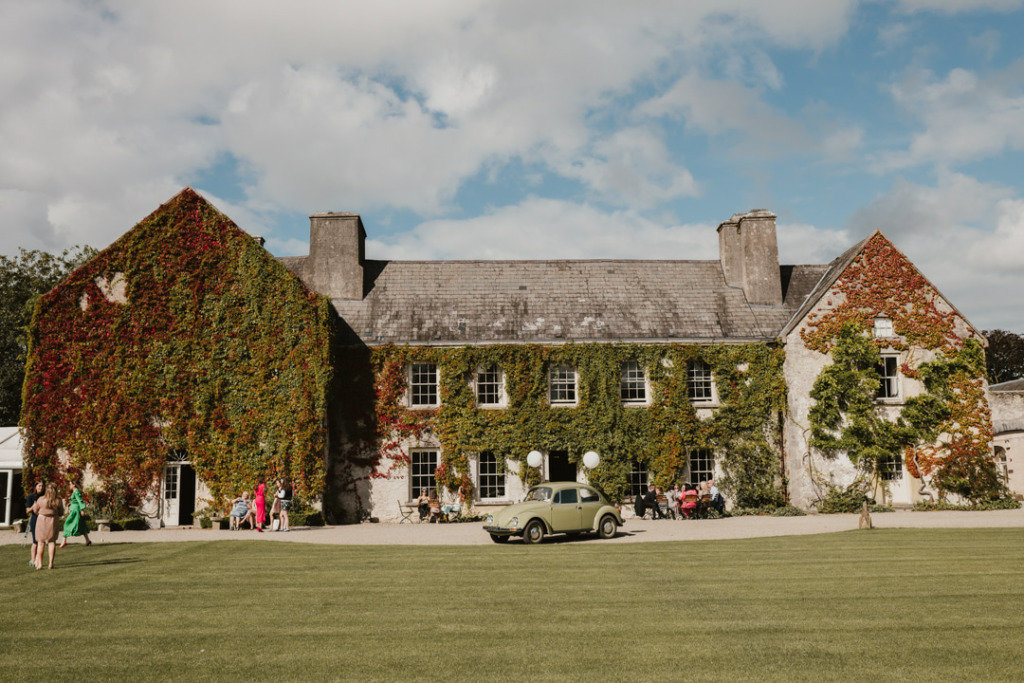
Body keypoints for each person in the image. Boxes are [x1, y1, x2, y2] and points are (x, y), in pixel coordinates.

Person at [31, 483, 63, 569]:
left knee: (40, 543)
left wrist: (37, 509)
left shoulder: (41, 499)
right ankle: (50, 563)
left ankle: (40, 564)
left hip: (41, 520)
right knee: (52, 542)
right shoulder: (58, 500)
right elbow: (61, 513)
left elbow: (35, 510)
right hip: (53, 521)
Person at [59, 480, 92, 548]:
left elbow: (80, 501)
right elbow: (76, 501)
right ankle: (88, 540)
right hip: (74, 509)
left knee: (67, 524)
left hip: (75, 511)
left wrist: (82, 510)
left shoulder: (76, 491)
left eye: (70, 484)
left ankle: (64, 541)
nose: (69, 486)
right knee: (82, 525)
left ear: (74, 485)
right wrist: (71, 503)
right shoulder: (75, 491)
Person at [25, 481, 43, 566]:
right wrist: (33, 506)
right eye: (39, 486)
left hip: (43, 520)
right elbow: (27, 511)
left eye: (42, 486)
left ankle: (37, 559)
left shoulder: (44, 497)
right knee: (35, 541)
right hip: (35, 520)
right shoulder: (30, 497)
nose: (41, 488)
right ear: (35, 487)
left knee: (41, 541)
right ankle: (32, 560)